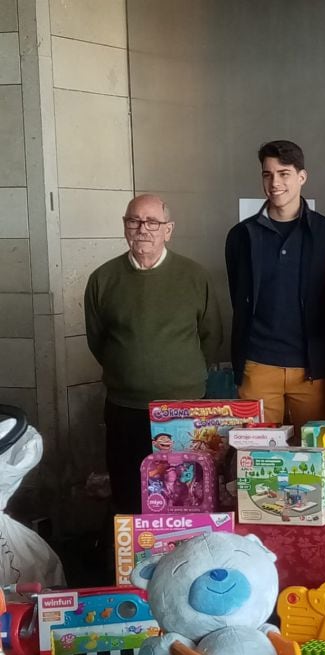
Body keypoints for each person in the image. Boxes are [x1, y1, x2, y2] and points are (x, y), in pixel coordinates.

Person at [84, 194, 222, 515]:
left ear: (168, 230)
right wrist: (129, 370)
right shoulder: (103, 279)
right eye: (134, 221)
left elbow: (211, 335)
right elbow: (98, 339)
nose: (143, 229)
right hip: (125, 407)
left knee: (186, 492)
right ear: (125, 226)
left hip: (183, 409)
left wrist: (181, 374)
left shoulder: (194, 276)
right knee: (128, 490)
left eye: (153, 222)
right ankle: (132, 558)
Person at [225, 140, 325, 428]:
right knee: (257, 458)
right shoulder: (241, 235)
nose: (275, 182)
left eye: (284, 173)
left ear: (302, 177)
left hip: (313, 369)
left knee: (315, 457)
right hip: (258, 365)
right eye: (268, 174)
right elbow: (238, 296)